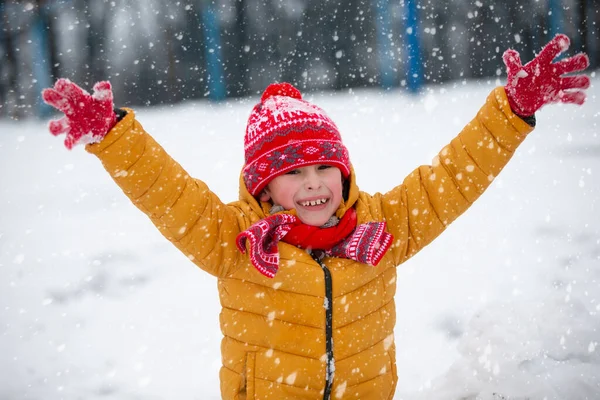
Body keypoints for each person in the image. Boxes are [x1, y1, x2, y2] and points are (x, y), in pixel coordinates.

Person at [42, 34, 589, 400]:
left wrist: (511, 113)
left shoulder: (379, 229)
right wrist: (115, 137)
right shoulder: (235, 241)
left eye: (326, 166)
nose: (312, 183)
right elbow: (169, 193)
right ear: (264, 186)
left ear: (344, 173)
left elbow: (450, 180)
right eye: (292, 171)